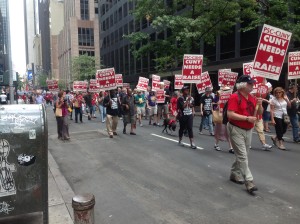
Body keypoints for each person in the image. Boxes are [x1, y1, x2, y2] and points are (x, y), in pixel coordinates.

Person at [227, 75, 263, 193]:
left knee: (243, 154)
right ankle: (249, 181)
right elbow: (230, 114)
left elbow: (258, 113)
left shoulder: (252, 97)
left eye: (252, 84)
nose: (253, 86)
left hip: (248, 129)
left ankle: (234, 173)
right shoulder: (234, 97)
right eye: (250, 84)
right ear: (243, 85)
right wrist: (247, 118)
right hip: (236, 128)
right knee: (242, 155)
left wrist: (260, 104)